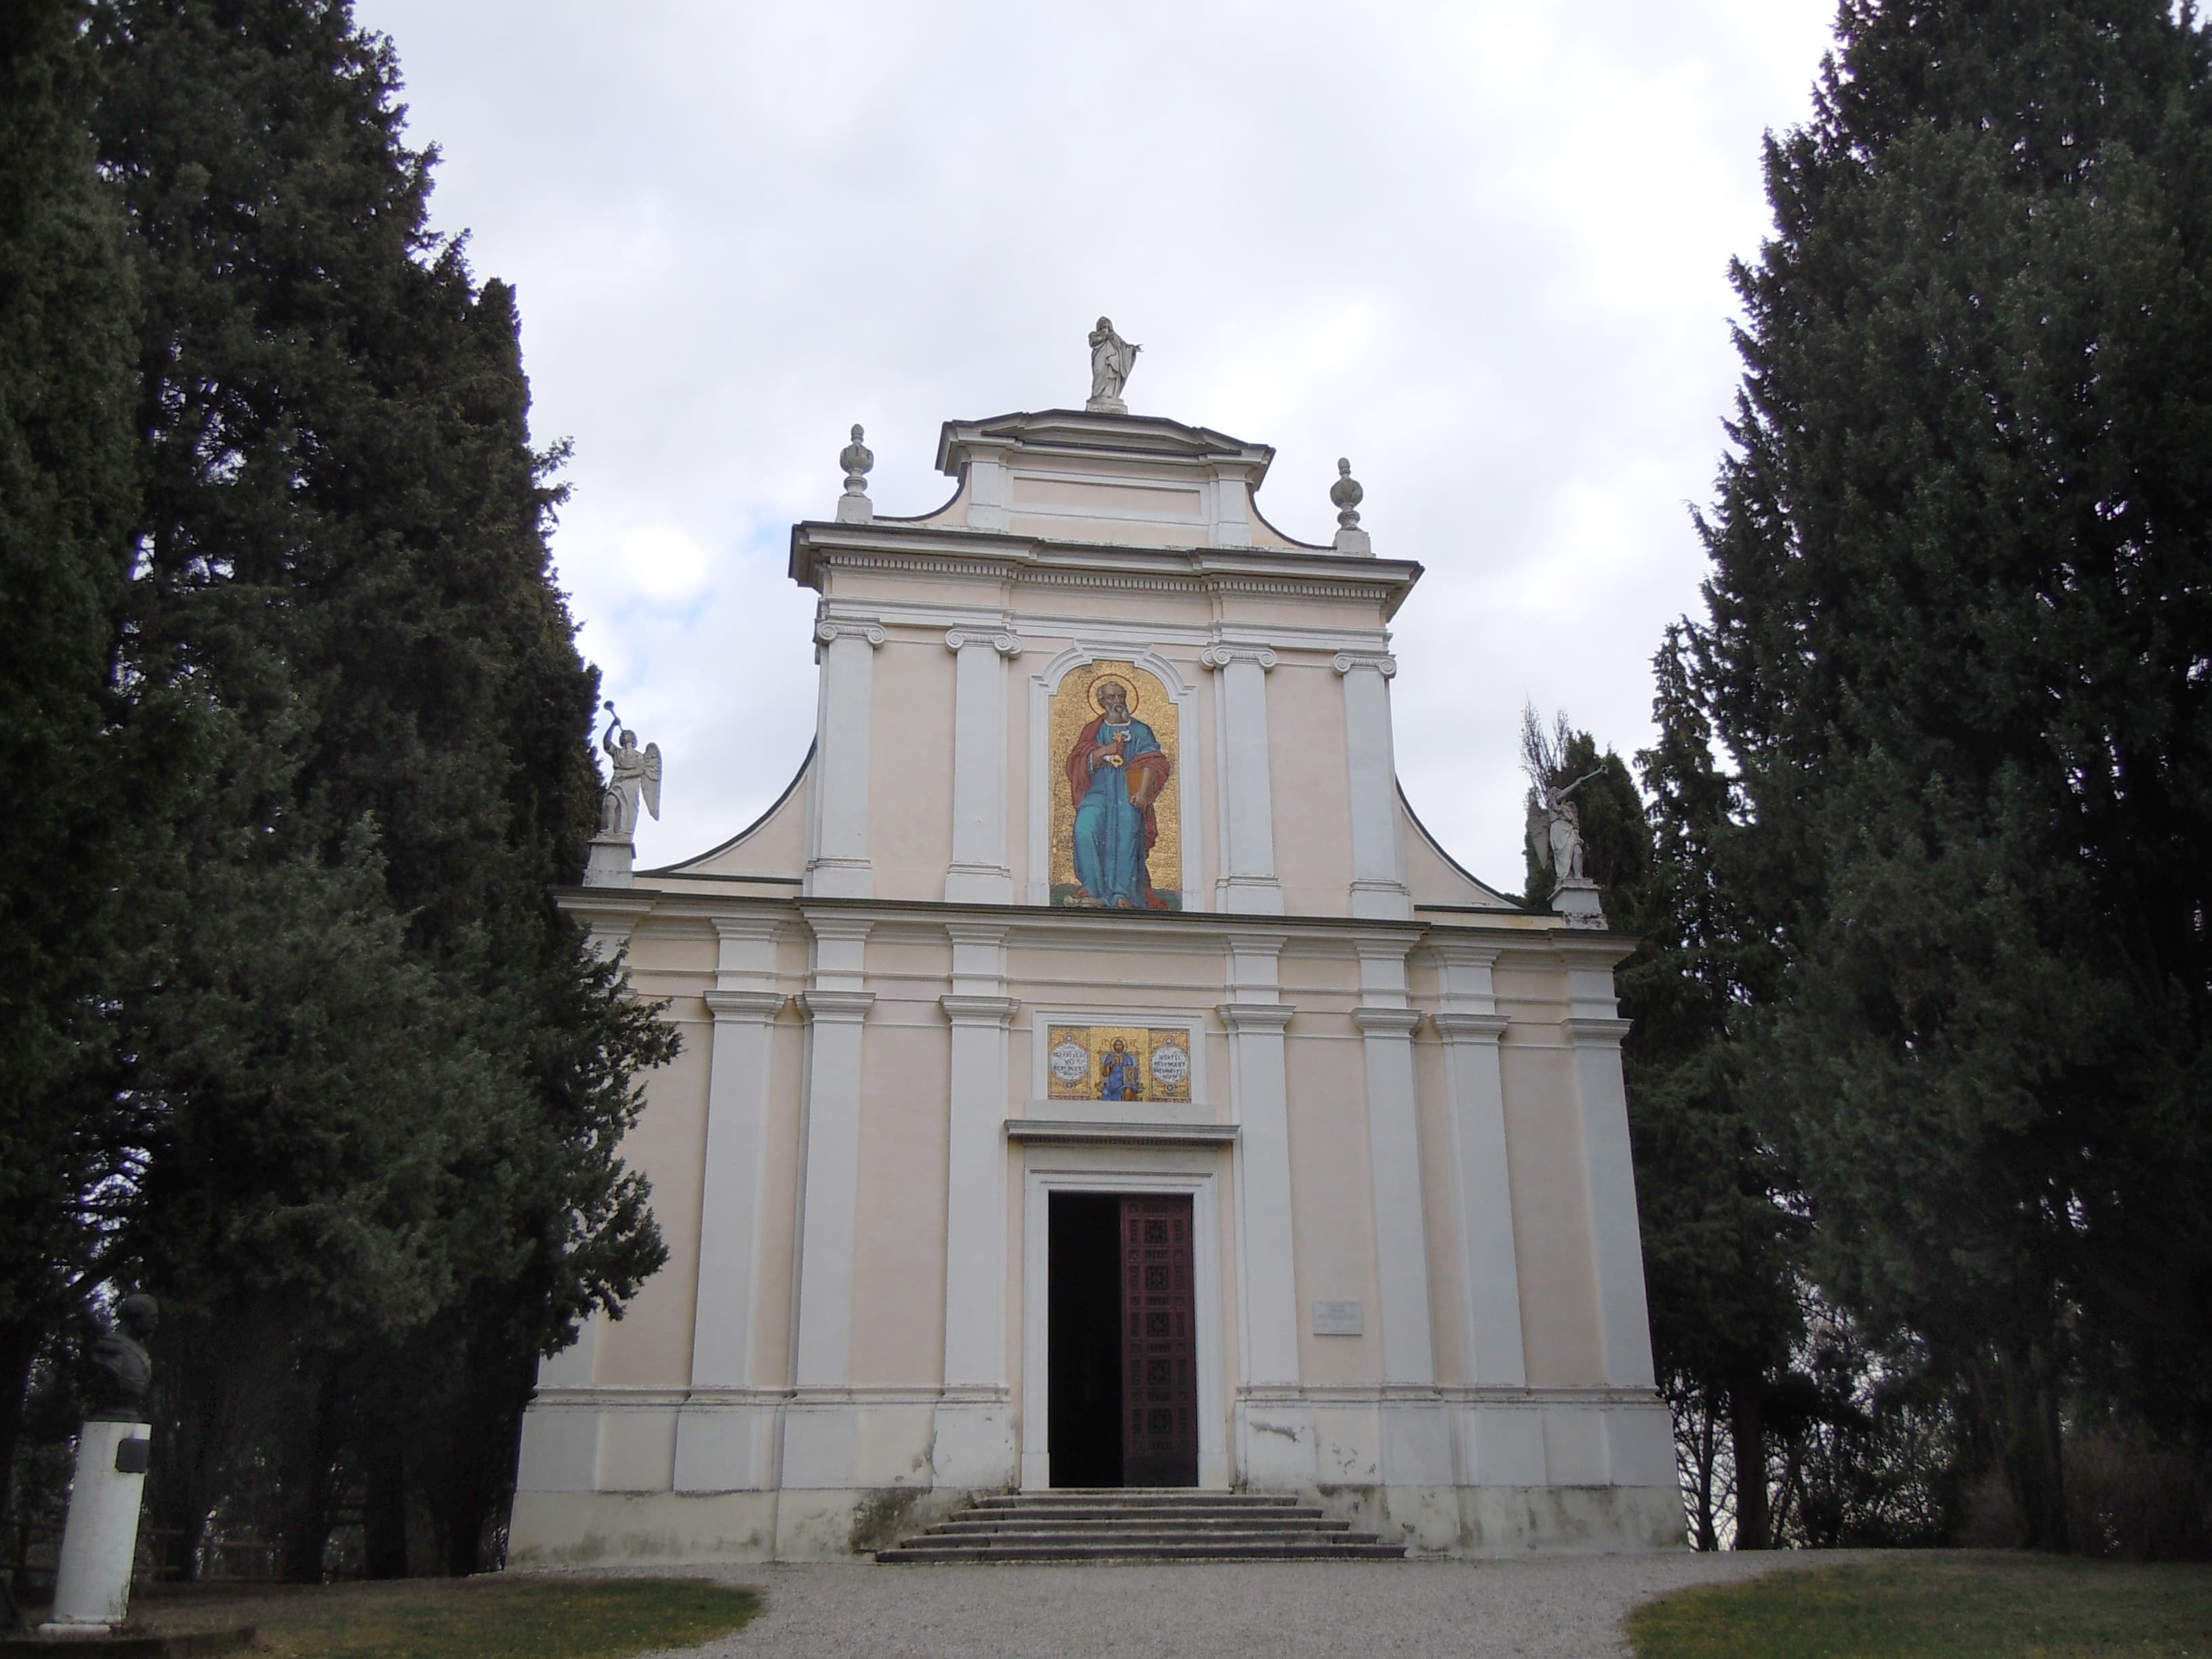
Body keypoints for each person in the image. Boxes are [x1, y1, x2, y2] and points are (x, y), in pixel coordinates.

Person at [1065, 678, 1171, 909]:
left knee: (1126, 837)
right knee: (1085, 828)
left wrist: (1143, 793)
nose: (1117, 702)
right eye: (1111, 697)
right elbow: (1075, 762)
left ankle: (1121, 894)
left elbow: (1154, 762)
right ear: (1102, 702)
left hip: (1128, 791)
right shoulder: (1092, 730)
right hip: (1099, 790)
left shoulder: (1140, 730)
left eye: (1121, 697)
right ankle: (1091, 886)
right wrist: (1101, 752)